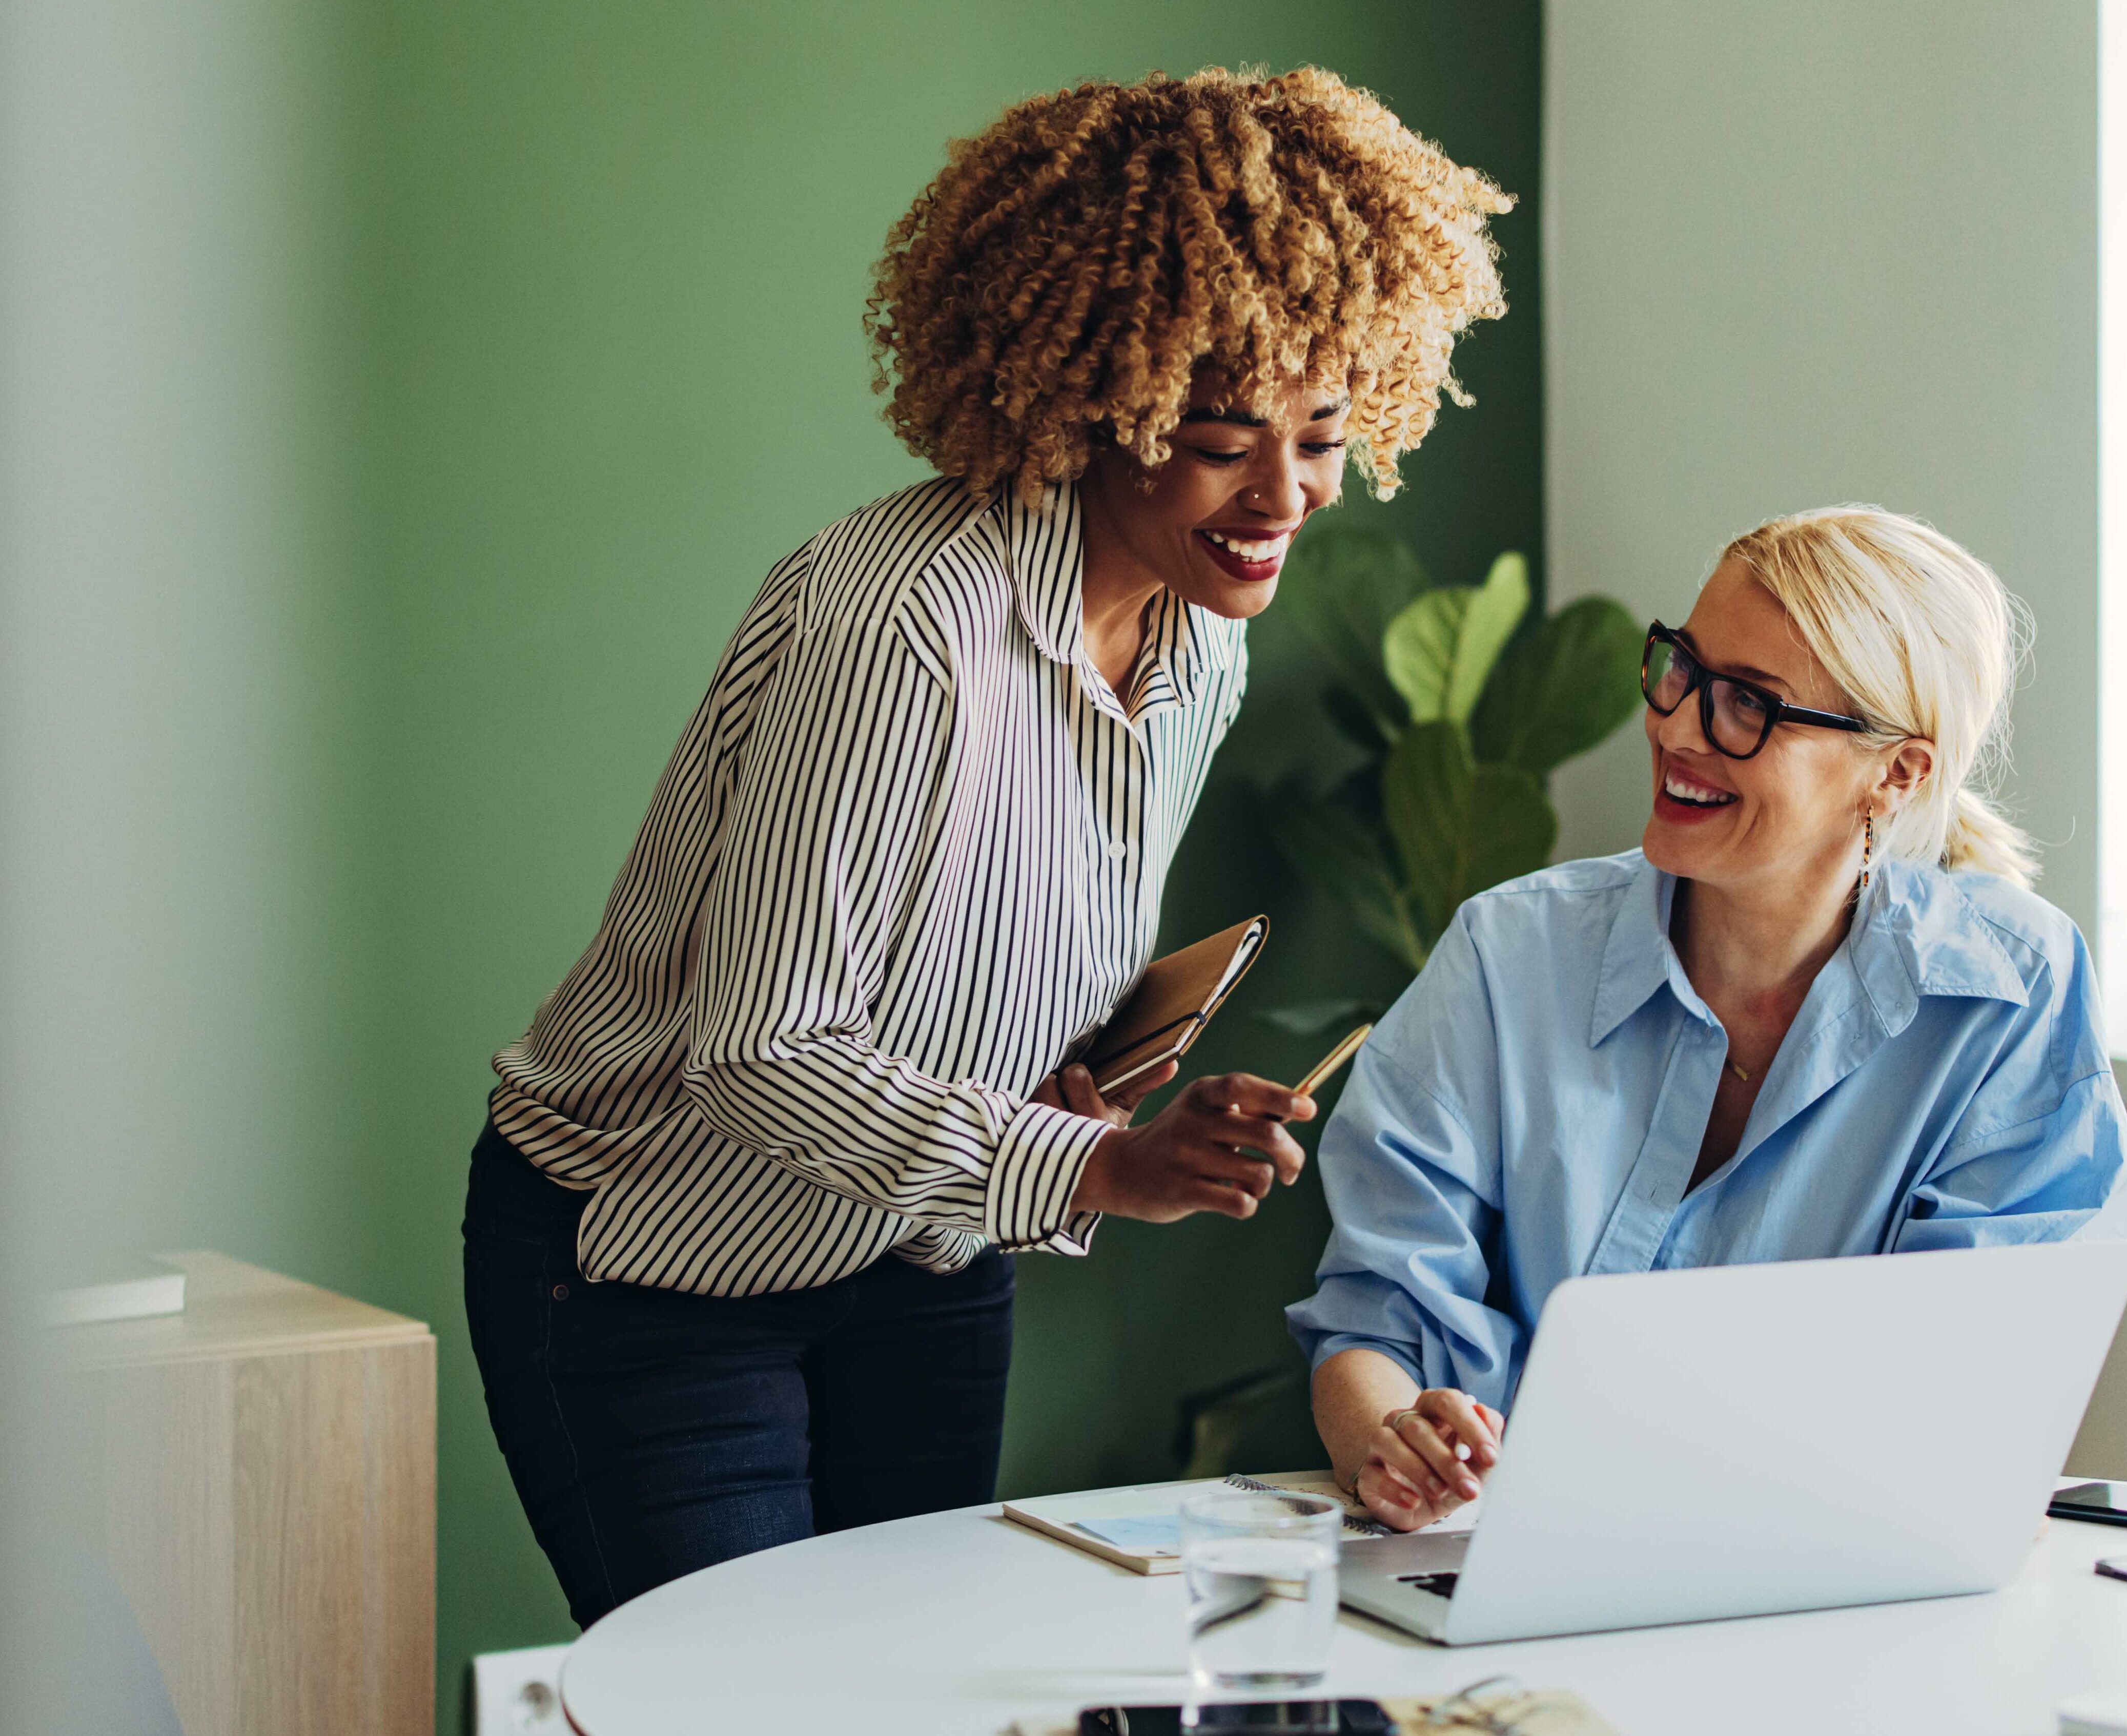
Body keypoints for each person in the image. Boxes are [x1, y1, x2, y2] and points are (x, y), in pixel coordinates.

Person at [462, 67, 1512, 1624]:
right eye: (1225, 439)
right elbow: (760, 1054)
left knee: (917, 1697)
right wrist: (1097, 1162)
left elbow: (972, 976)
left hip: (928, 1262)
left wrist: (1094, 1089)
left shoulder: (1194, 640)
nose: (1284, 497)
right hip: (654, 1273)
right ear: (1100, 402)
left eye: (1322, 434)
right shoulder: (901, 625)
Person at [1286, 506, 2127, 1532]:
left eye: (1749, 705)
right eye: (1681, 668)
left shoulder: (2008, 991)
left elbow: (1973, 1384)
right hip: (1499, 1556)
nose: (1678, 727)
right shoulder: (1507, 953)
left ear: (1898, 773)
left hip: (1834, 1571)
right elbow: (1375, 1315)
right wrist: (1390, 1438)